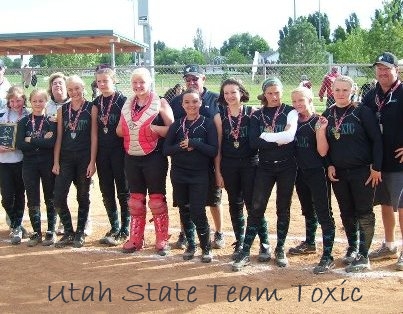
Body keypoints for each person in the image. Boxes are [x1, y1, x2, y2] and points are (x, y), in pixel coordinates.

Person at [317, 75, 382, 272]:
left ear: (352, 90)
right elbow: (324, 147)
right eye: (337, 90)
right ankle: (353, 247)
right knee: (346, 211)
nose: (341, 94)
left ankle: (364, 254)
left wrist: (376, 167)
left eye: (345, 90)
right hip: (339, 172)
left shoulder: (362, 112)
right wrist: (328, 164)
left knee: (364, 211)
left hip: (363, 171)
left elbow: (377, 140)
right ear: (332, 91)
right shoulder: (328, 113)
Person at [232, 77, 298, 271]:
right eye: (270, 93)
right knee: (256, 207)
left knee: (283, 207)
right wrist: (279, 139)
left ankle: (280, 248)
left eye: (277, 92)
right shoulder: (257, 115)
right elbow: (254, 143)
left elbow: (290, 138)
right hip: (265, 166)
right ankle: (245, 251)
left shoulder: (290, 111)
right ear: (264, 94)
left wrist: (266, 136)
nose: (274, 96)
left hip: (287, 166)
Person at [116, 67, 173, 256]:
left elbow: (173, 130)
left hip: (154, 156)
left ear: (149, 82)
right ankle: (135, 238)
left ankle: (162, 238)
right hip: (132, 156)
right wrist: (133, 129)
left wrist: (154, 129)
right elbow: (118, 131)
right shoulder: (128, 104)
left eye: (142, 82)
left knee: (156, 199)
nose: (138, 86)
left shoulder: (160, 102)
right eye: (135, 82)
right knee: (135, 200)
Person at [169, 64, 225, 250]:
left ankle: (218, 232)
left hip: (209, 159)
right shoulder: (178, 100)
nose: (192, 81)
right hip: (185, 163)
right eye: (188, 79)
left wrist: (217, 167)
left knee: (213, 200)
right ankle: (186, 233)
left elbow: (219, 132)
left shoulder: (215, 99)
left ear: (203, 79)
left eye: (195, 78)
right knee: (184, 202)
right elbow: (172, 126)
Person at [217, 78, 270, 261]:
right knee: (234, 203)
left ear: (241, 93)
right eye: (226, 93)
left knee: (254, 205)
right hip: (229, 165)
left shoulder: (252, 113)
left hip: (250, 163)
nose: (230, 96)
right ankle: (240, 241)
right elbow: (218, 148)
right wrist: (218, 171)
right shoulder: (220, 116)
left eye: (233, 92)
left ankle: (264, 243)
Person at [163, 88, 218, 262]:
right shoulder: (177, 124)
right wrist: (182, 146)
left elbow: (213, 150)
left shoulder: (207, 123)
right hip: (179, 173)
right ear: (182, 104)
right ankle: (191, 245)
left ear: (200, 103)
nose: (191, 105)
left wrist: (195, 143)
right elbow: (166, 150)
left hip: (200, 174)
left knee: (197, 210)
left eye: (195, 101)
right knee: (184, 209)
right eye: (187, 102)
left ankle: (206, 248)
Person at [287, 86, 336, 274]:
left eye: (301, 100)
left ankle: (328, 255)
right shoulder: (293, 120)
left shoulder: (318, 121)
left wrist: (321, 130)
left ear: (310, 99)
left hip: (318, 172)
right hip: (300, 172)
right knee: (308, 209)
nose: (298, 104)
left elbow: (323, 151)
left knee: (324, 211)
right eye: (294, 101)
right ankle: (309, 242)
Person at [362, 52, 403, 271]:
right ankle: (389, 245)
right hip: (378, 161)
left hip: (399, 160)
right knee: (385, 204)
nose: (382, 72)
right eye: (379, 68)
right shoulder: (370, 95)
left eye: (387, 68)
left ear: (396, 70)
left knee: (402, 205)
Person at [52, 75, 97, 248]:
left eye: (77, 88)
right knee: (58, 197)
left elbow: (94, 137)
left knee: (82, 196)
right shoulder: (62, 110)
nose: (74, 92)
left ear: (83, 87)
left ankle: (80, 233)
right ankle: (69, 232)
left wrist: (92, 161)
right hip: (66, 158)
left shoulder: (91, 108)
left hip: (84, 158)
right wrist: (56, 161)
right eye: (70, 89)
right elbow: (59, 138)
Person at [92, 66, 130, 246]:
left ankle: (126, 228)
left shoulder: (123, 100)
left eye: (105, 80)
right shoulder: (96, 102)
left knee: (123, 190)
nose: (102, 84)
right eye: (99, 81)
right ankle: (114, 226)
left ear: (113, 80)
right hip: (102, 153)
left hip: (120, 152)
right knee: (106, 189)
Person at [16, 89, 57, 246]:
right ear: (30, 102)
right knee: (32, 198)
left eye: (41, 101)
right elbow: (19, 144)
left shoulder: (51, 121)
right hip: (29, 164)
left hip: (47, 163)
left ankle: (51, 231)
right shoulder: (24, 122)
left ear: (46, 102)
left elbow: (51, 144)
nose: (38, 104)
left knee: (50, 196)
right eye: (35, 101)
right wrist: (40, 141)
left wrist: (30, 139)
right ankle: (36, 233)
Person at [0, 86, 30, 244]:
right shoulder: (2, 116)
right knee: (6, 199)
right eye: (12, 101)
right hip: (4, 162)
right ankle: (16, 223)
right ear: (8, 102)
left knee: (20, 194)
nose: (15, 103)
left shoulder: (29, 115)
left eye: (18, 100)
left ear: (24, 100)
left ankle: (17, 227)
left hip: (22, 161)